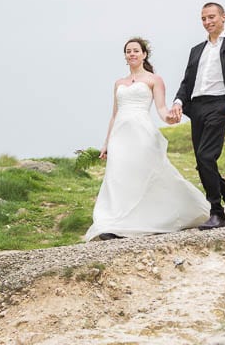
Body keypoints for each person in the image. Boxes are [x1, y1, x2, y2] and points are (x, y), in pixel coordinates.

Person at [83, 37, 209, 241]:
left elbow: (160, 109)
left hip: (142, 133)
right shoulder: (118, 83)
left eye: (135, 51)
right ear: (125, 56)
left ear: (144, 54)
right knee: (119, 177)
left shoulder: (153, 79)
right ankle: (115, 224)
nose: (131, 54)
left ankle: (173, 211)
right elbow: (114, 114)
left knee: (146, 173)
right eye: (128, 51)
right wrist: (106, 143)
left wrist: (170, 117)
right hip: (120, 136)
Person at [167, 2, 225, 230]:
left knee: (206, 157)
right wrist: (178, 102)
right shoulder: (196, 50)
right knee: (202, 162)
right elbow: (187, 81)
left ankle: (217, 212)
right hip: (197, 107)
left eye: (211, 17)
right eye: (203, 18)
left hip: (220, 104)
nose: (207, 22)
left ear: (223, 17)